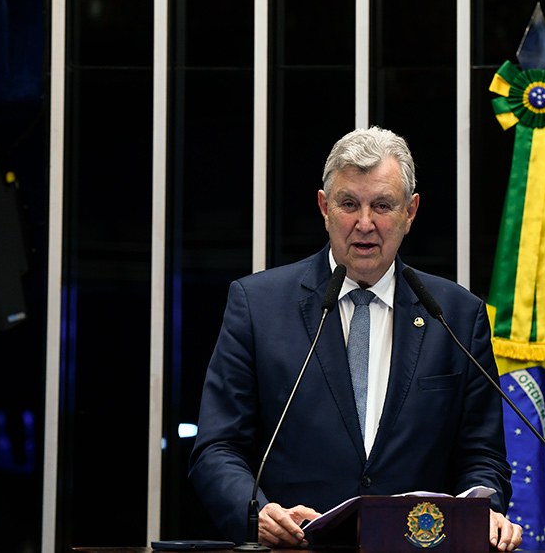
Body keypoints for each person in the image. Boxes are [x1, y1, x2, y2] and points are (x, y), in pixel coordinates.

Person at [189, 126, 523, 551]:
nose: (365, 224)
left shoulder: (456, 315)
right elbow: (217, 447)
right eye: (349, 204)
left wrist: (482, 509)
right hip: (295, 549)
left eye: (382, 205)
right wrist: (255, 511)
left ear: (410, 212)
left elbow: (482, 455)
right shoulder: (258, 306)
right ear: (324, 207)